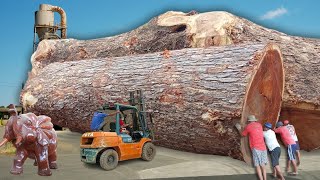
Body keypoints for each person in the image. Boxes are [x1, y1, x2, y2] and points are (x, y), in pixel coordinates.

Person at [235, 115, 268, 180]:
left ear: (249, 121)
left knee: (257, 165)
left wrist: (238, 128)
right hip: (263, 147)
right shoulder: (259, 125)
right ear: (255, 120)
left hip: (256, 148)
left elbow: (243, 134)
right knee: (263, 165)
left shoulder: (248, 126)